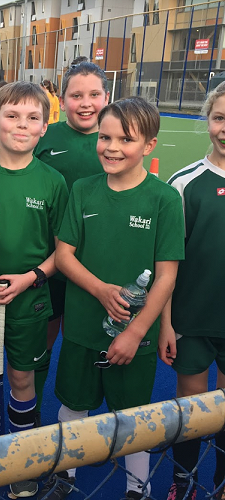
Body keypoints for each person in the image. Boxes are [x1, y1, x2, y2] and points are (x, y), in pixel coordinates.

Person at [40, 97, 185, 500]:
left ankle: (137, 488)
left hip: (135, 338)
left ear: (149, 145)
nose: (112, 147)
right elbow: (64, 256)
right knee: (74, 405)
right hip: (83, 329)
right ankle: (66, 476)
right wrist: (101, 290)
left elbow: (166, 276)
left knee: (133, 416)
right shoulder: (83, 190)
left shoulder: (164, 199)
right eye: (105, 137)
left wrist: (136, 332)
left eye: (126, 139)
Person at [0, 81, 69, 499]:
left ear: (44, 127)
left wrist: (31, 278)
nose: (22, 125)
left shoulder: (54, 182)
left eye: (32, 118)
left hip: (29, 300)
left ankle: (20, 460)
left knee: (23, 378)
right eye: (12, 116)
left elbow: (62, 252)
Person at [33, 61, 110, 426]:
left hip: (94, 267)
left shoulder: (114, 141)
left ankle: (79, 421)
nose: (86, 103)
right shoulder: (43, 137)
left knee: (85, 346)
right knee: (40, 345)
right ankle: (29, 415)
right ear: (61, 100)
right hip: (46, 264)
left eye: (94, 94)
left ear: (106, 97)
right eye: (76, 95)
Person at [160, 81, 225, 500]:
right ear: (208, 120)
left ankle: (221, 484)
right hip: (191, 319)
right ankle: (182, 483)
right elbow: (168, 264)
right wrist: (166, 323)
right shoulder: (184, 183)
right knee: (192, 408)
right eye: (219, 118)